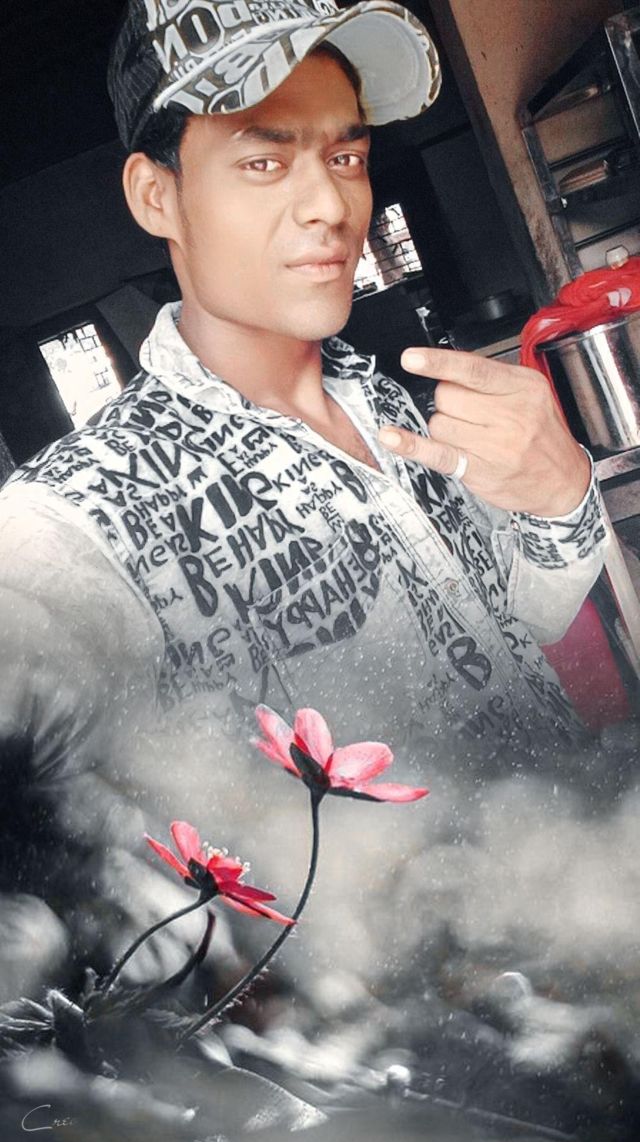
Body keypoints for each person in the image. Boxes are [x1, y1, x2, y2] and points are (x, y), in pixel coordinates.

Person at [0, 0, 609, 809]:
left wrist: (563, 498)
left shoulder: (384, 402)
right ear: (156, 197)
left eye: (346, 156)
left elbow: (523, 621)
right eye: (264, 161)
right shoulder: (80, 515)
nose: (332, 205)